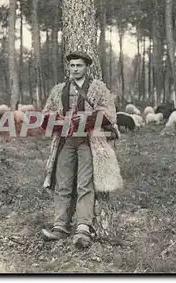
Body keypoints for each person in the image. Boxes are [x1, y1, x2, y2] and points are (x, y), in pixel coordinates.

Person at [40, 51, 123, 249]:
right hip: (65, 141)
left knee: (85, 184)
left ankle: (83, 228)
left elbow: (109, 114)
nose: (75, 69)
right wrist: (60, 121)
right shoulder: (59, 90)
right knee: (63, 183)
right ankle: (60, 226)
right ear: (68, 68)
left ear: (87, 68)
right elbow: (46, 116)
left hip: (88, 140)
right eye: (72, 66)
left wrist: (85, 119)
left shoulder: (97, 88)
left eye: (79, 66)